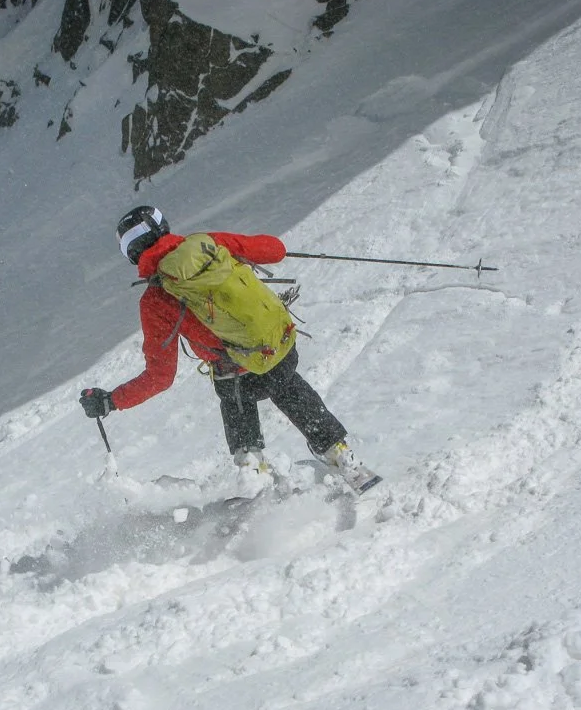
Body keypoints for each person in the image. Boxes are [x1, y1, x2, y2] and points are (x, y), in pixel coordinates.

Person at [79, 206, 380, 494]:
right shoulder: (210, 244)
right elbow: (274, 249)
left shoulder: (155, 300)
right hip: (280, 348)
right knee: (286, 384)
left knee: (235, 389)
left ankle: (253, 470)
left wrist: (111, 401)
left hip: (237, 376)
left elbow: (160, 377)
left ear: (132, 254)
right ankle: (339, 452)